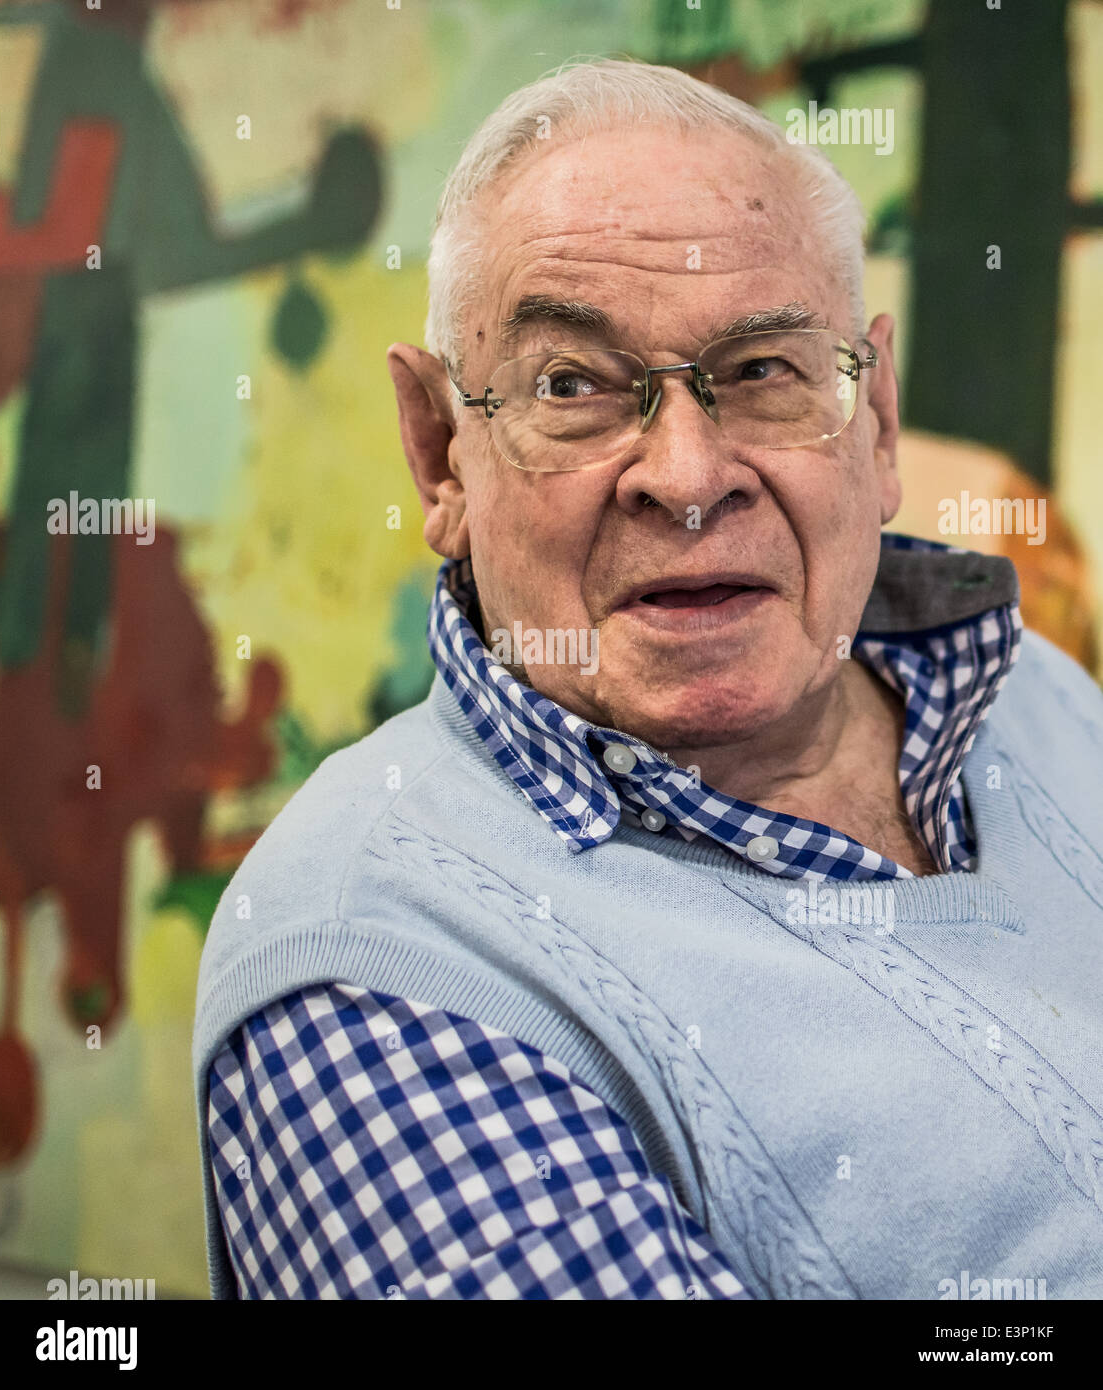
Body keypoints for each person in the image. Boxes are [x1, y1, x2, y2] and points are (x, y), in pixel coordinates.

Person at [192, 57, 1103, 1300]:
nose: (685, 476)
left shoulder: (1031, 688)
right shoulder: (377, 952)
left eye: (765, 371)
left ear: (876, 420)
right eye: (572, 385)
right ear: (437, 454)